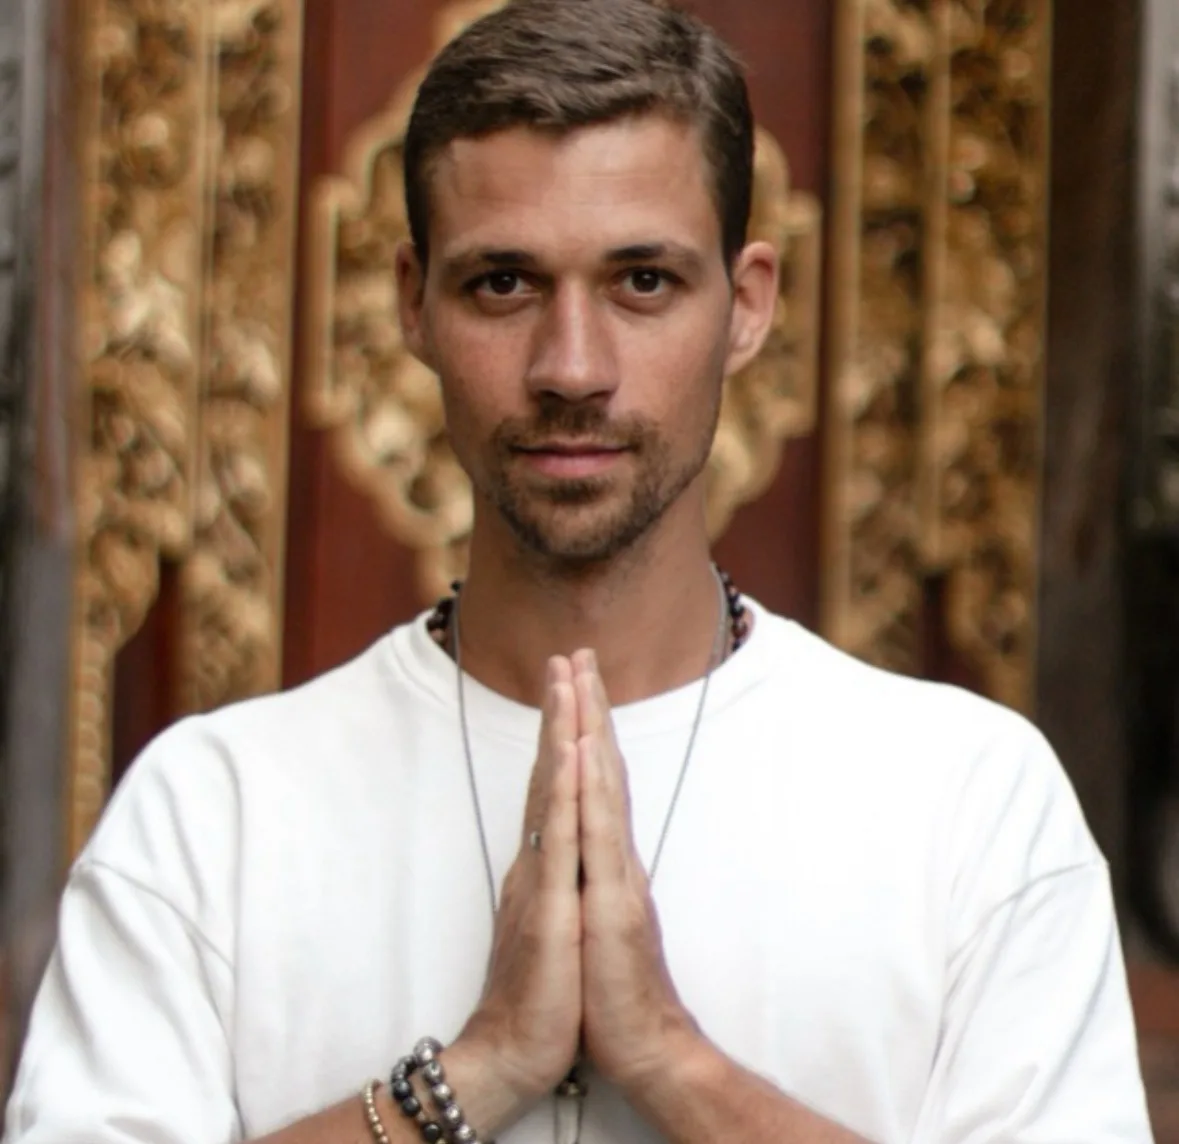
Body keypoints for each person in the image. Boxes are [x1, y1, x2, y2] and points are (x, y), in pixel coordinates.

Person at [3, 0, 1154, 1142]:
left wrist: (670, 1059)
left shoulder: (968, 804)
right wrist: (477, 1070)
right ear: (411, 303)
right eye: (502, 283)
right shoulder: (215, 814)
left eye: (641, 281)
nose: (571, 366)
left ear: (748, 307)